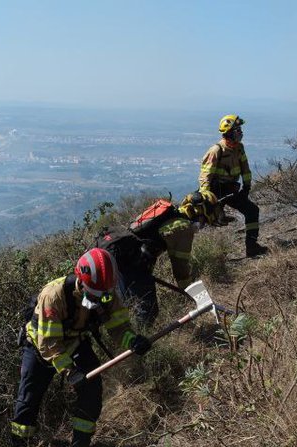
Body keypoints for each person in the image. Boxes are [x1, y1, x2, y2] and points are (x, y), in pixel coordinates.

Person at [10, 247, 151, 447]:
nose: (98, 300)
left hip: (75, 341)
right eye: (93, 294)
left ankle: (79, 446)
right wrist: (70, 372)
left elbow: (118, 326)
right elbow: (49, 344)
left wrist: (132, 340)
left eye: (103, 296)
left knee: (92, 387)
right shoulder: (53, 295)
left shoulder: (106, 293)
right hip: (40, 347)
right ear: (80, 280)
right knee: (29, 398)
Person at [104, 192, 216, 326]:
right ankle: (140, 340)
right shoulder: (183, 227)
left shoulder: (169, 211)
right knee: (147, 311)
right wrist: (193, 292)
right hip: (135, 266)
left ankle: (124, 332)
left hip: (121, 258)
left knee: (126, 303)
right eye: (203, 222)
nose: (202, 226)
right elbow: (180, 268)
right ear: (200, 213)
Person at [200, 114, 269, 258]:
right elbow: (205, 175)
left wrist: (247, 187)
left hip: (230, 190)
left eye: (240, 129)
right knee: (203, 220)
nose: (241, 133)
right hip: (215, 191)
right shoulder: (216, 150)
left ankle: (252, 247)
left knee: (252, 211)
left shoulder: (239, 148)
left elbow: (245, 168)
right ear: (229, 132)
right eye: (237, 130)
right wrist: (206, 196)